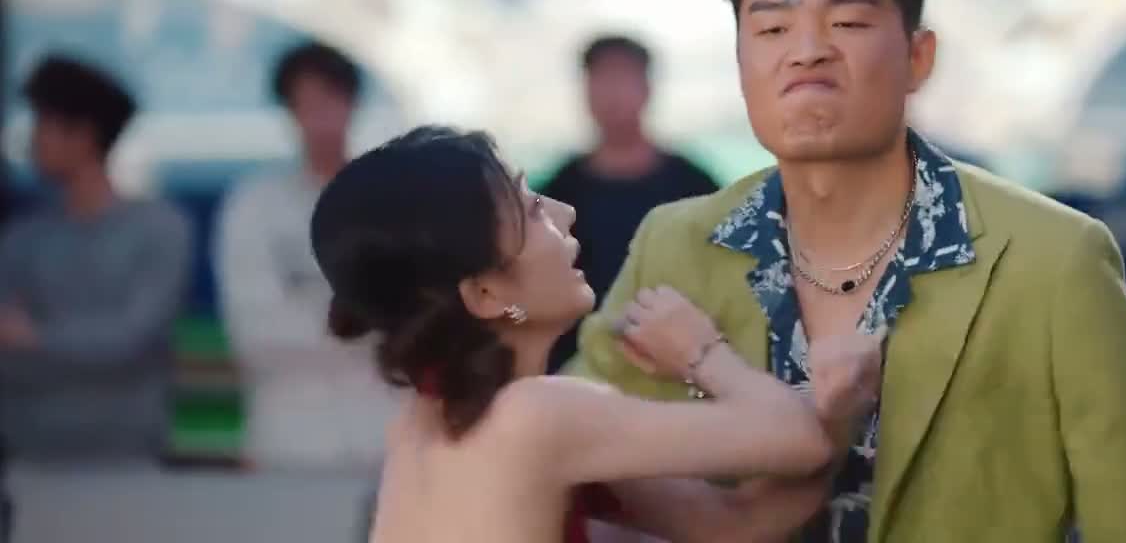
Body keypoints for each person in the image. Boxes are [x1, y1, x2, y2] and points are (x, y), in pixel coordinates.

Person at [568, 0, 1126, 542]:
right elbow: (569, 457)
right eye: (772, 30)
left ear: (918, 58)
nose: (806, 52)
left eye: (846, 22)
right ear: (741, 66)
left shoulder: (1054, 259)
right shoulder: (677, 244)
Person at [309, 125, 883, 543]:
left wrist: (839, 413)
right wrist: (700, 352)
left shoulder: (428, 419)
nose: (565, 212)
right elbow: (796, 440)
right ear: (485, 294)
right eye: (532, 211)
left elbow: (730, 523)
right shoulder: (538, 415)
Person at [215, 41, 399, 471]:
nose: (321, 117)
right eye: (308, 104)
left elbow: (411, 321)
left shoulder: (394, 201)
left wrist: (316, 317)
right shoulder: (254, 205)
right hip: (288, 435)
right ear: (289, 111)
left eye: (331, 100)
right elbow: (254, 332)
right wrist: (361, 325)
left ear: (353, 103)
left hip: (383, 430)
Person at [0, 54, 192, 462]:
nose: (32, 140)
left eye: (43, 124)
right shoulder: (21, 240)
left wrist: (35, 338)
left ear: (84, 134)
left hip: (128, 456)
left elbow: (132, 341)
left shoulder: (159, 229)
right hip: (29, 458)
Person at [542, 36, 719, 371]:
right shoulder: (559, 192)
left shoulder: (693, 184)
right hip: (577, 366)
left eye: (624, 78)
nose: (613, 94)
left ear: (647, 88)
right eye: (601, 79)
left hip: (677, 365)